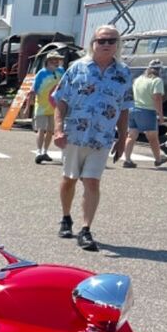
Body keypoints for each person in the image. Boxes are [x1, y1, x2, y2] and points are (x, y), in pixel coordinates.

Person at [52, 25, 134, 253]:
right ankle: (66, 218)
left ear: (118, 44)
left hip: (103, 136)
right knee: (69, 179)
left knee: (92, 181)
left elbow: (125, 107)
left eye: (111, 40)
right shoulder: (77, 68)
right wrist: (58, 130)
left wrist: (122, 137)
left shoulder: (124, 73)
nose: (106, 44)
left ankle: (86, 230)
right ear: (93, 43)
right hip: (75, 135)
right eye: (101, 40)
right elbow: (60, 101)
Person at [122, 59, 167, 169]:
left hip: (134, 109)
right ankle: (158, 159)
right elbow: (157, 98)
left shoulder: (138, 79)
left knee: (132, 135)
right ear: (159, 70)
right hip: (147, 110)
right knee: (152, 137)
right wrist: (160, 115)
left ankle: (127, 159)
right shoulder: (157, 81)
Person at [27, 51, 64, 163]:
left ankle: (45, 151)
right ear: (48, 61)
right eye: (54, 60)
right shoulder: (41, 73)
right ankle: (38, 151)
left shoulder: (61, 71)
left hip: (55, 107)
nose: (56, 62)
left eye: (58, 60)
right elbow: (33, 89)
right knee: (41, 129)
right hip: (42, 106)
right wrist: (28, 105)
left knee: (50, 131)